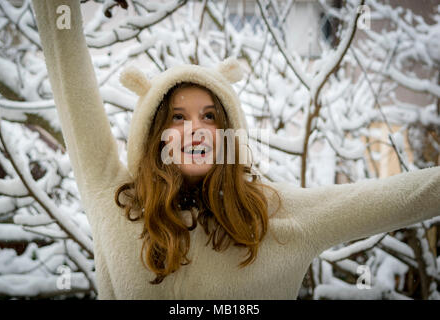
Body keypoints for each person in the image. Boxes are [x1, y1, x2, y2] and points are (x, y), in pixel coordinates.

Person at [32, 0, 440, 299]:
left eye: (210, 117)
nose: (195, 129)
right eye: (177, 118)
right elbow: (69, 74)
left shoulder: (278, 214)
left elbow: (404, 196)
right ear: (154, 135)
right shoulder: (117, 201)